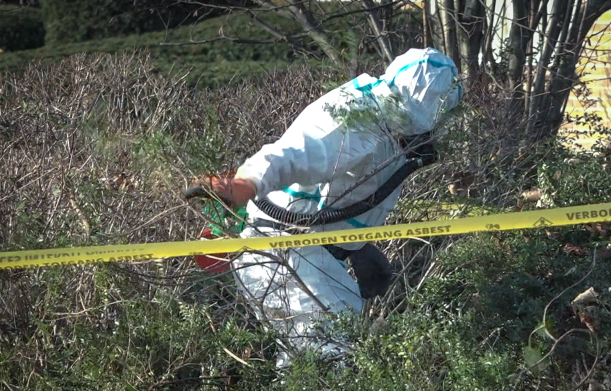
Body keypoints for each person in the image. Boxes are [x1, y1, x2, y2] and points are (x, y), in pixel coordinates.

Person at [187, 47, 461, 367]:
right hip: (287, 252)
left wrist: (356, 247)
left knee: (303, 370)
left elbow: (343, 193)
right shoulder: (359, 118)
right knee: (337, 369)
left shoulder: (390, 126)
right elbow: (297, 152)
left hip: (301, 254)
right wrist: (242, 185)